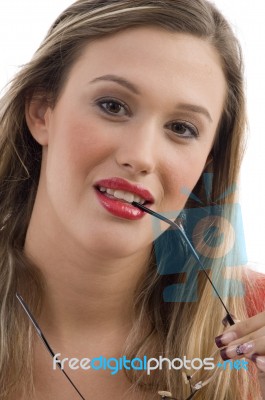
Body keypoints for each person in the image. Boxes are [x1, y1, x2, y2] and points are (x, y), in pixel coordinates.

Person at [0, 0, 264, 399]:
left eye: (181, 128)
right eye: (113, 106)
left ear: (207, 160)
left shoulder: (255, 319)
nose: (140, 156)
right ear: (41, 111)